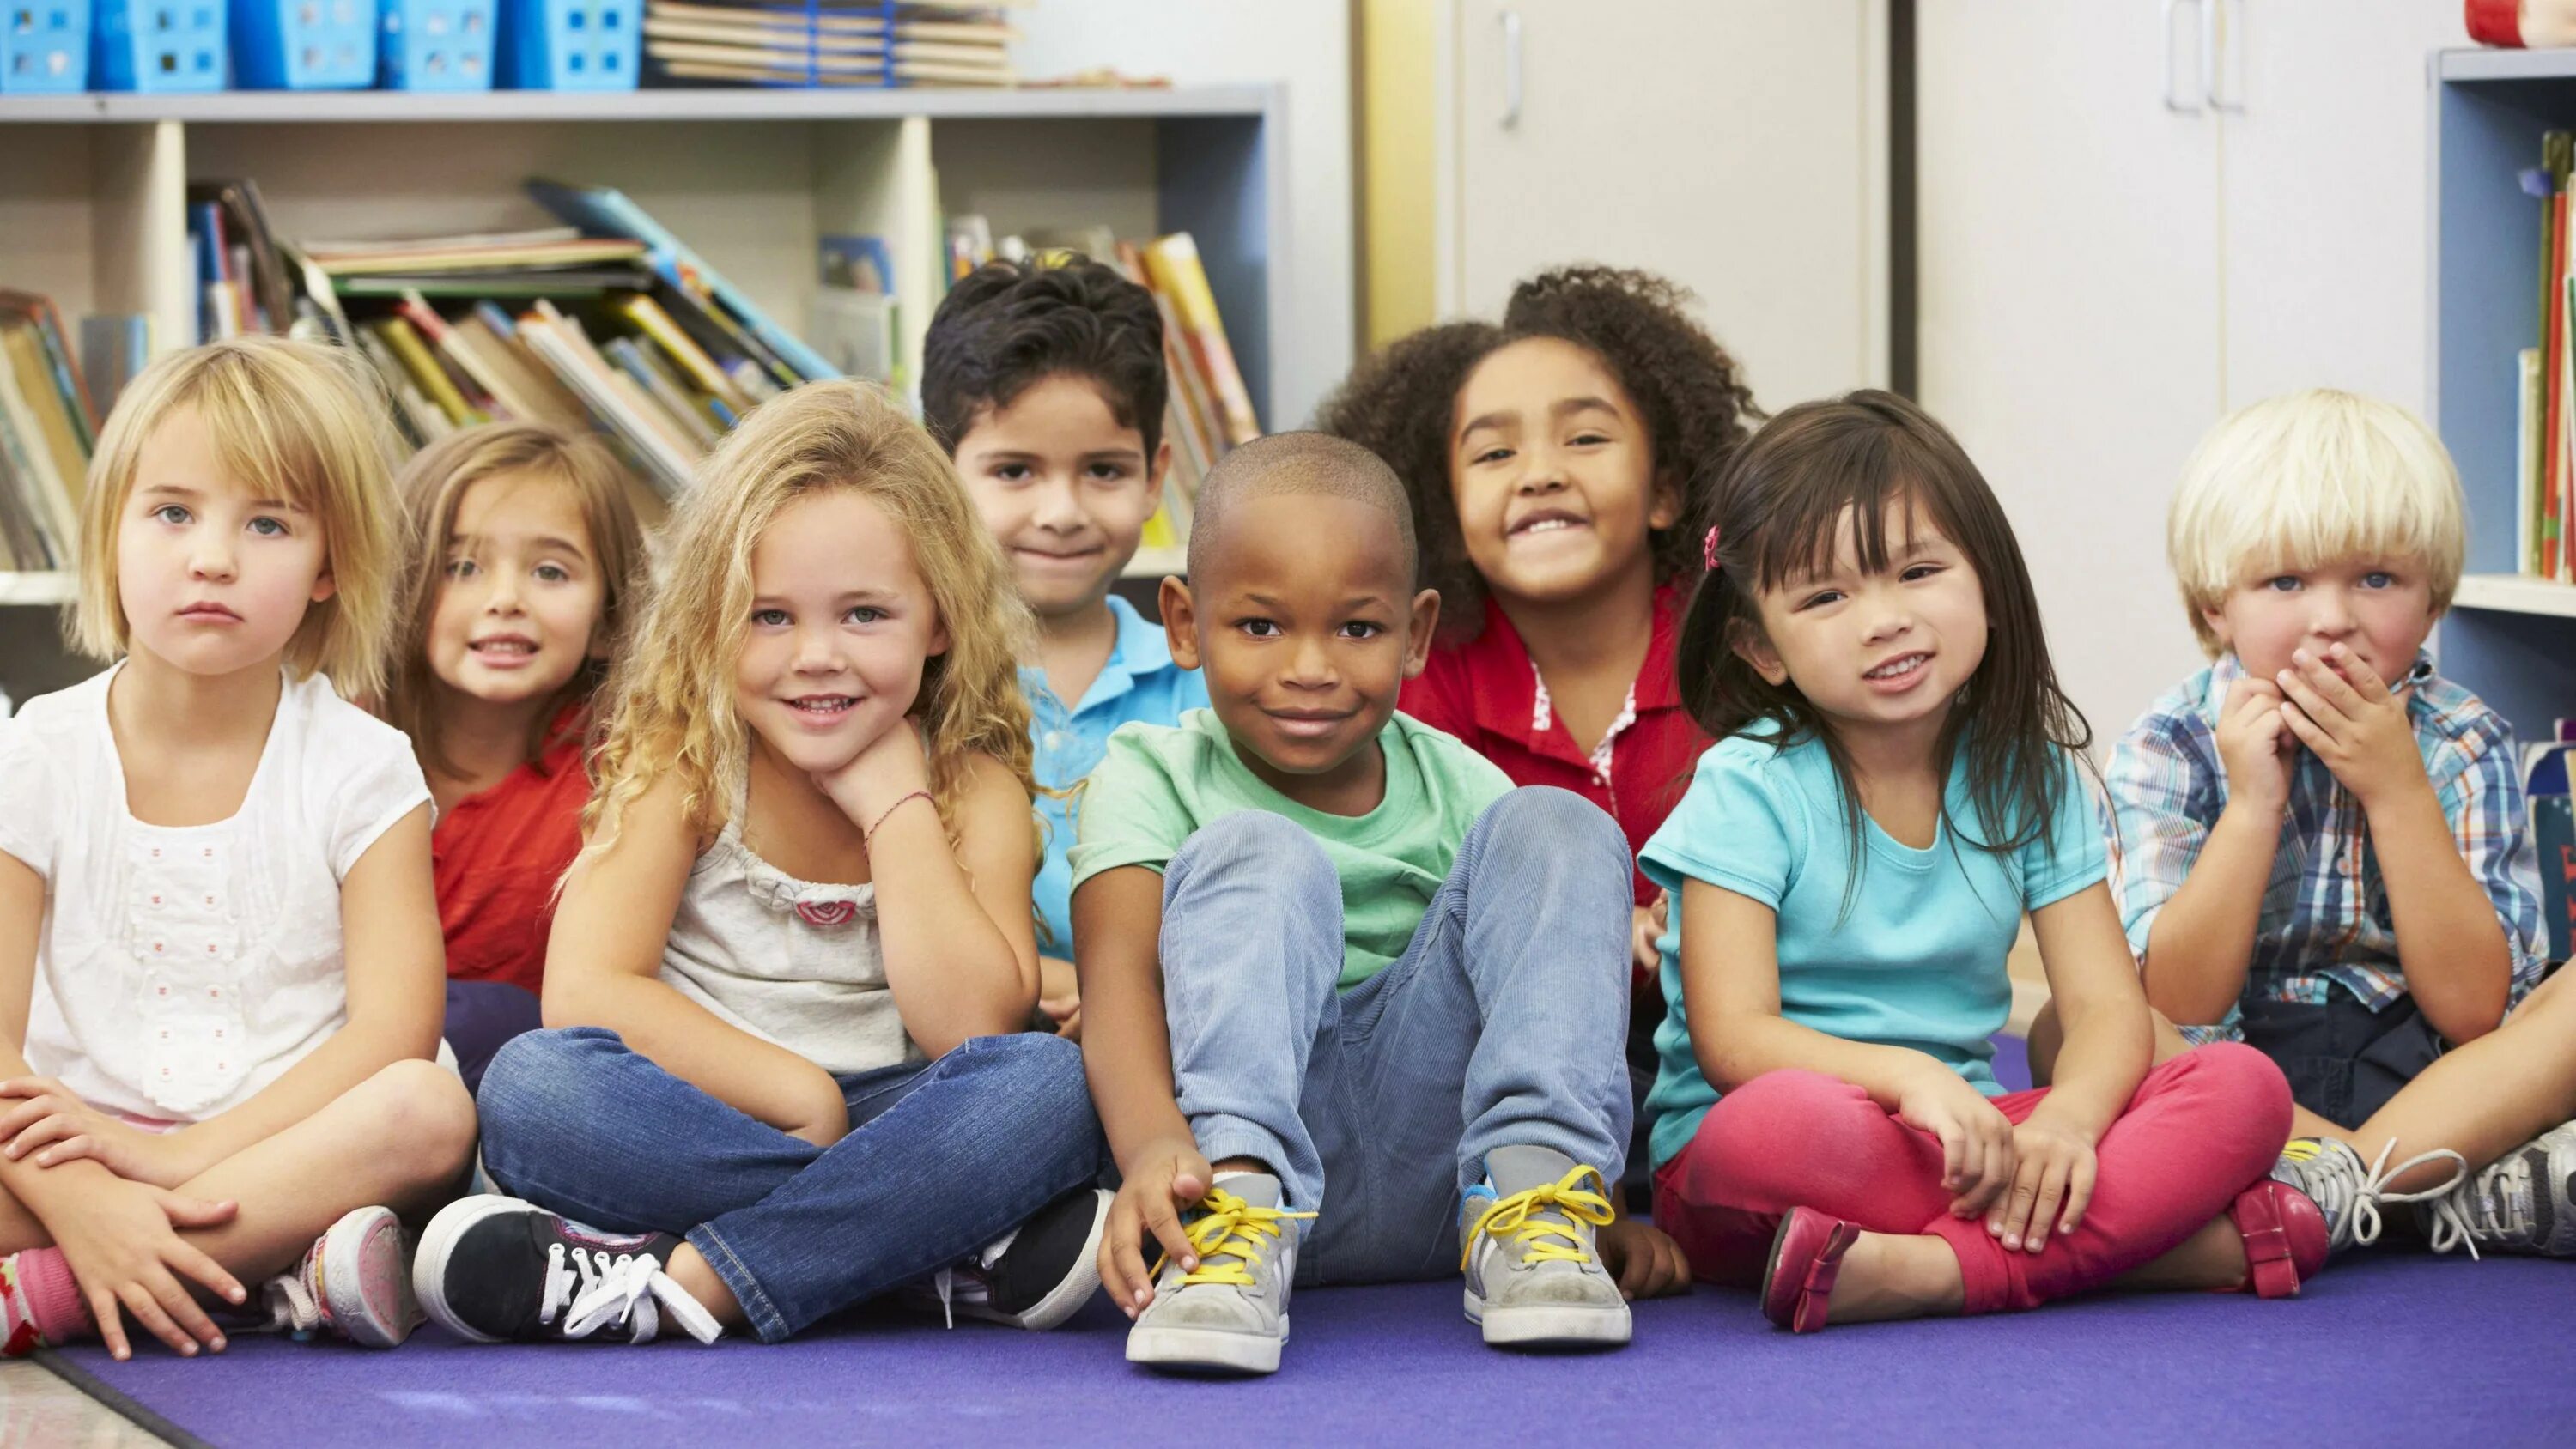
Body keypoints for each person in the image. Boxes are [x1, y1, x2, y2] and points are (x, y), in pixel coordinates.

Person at [412, 381, 1109, 1347]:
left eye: (865, 614)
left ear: (941, 619)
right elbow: (587, 988)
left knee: (1052, 1087)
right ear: (712, 619)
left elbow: (973, 1028)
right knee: (532, 1087)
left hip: (906, 1115)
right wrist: (798, 1095)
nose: (816, 655)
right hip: (706, 1112)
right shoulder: (688, 758)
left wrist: (895, 803)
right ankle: (924, 1253)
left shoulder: (969, 784)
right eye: (769, 617)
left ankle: (682, 1276)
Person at [1647, 391, 2322, 1334]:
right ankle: (2145, 1249)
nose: (1883, 619)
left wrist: (2069, 1121)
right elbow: (1735, 1039)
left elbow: (2100, 1007)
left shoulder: (2032, 774)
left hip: (1980, 1139)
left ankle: (1929, 1270)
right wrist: (1911, 1080)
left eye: (1919, 570)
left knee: (2242, 1088)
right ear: (1761, 645)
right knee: (1781, 1126)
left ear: (1989, 584)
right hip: (1784, 1150)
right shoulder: (1745, 786)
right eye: (1826, 596)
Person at [1072, 431, 1682, 1377]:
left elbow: (1544, 982)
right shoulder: (1146, 775)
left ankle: (1542, 1203)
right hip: (1237, 1171)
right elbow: (1116, 986)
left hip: (1447, 1174)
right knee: (1257, 848)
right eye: (1261, 627)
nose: (1311, 667)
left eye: (1357, 628)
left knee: (1557, 824)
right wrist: (1156, 1148)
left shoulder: (1459, 784)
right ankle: (1236, 1233)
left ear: (1416, 632)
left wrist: (1600, 1191)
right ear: (1186, 624)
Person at [0, 338, 476, 1359]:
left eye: (267, 523)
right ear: (112, 532)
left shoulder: (364, 763)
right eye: (173, 512)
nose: (212, 556)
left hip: (280, 1139)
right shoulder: (35, 749)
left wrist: (173, 1166)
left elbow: (394, 1029)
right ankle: (272, 1262)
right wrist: (86, 1192)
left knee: (429, 1106)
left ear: (327, 566)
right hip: (66, 1144)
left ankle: (60, 1286)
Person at [2074, 388, 2576, 1260]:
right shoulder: (2172, 742)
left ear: (2432, 601)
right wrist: (2252, 807)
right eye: (2287, 581)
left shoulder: (2464, 740)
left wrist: (2397, 791)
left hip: (2431, 1066)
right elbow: (2179, 1002)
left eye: (2376, 578)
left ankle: (2331, 1186)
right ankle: (2432, 1185)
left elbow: (2473, 1011)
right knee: (2081, 1028)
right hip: (2240, 1070)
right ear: (2213, 609)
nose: (2334, 616)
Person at [927, 258, 1207, 1034]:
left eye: (1103, 471)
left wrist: (1129, 996)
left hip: (1181, 1041)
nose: (1061, 512)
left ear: (1154, 478)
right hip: (970, 1047)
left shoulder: (1213, 691)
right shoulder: (905, 688)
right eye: (1015, 470)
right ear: (934, 475)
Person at [380, 424, 644, 1088]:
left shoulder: (623, 771)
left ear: (609, 620)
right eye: (462, 567)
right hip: (339, 1070)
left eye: (549, 571)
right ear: (402, 589)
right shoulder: (336, 743)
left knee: (495, 1020)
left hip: (527, 1089)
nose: (505, 600)